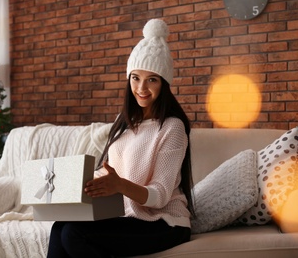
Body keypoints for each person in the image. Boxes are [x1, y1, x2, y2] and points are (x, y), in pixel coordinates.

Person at [47, 18, 195, 258]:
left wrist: (119, 185)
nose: (142, 87)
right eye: (135, 78)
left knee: (74, 233)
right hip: (128, 217)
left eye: (152, 79)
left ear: (164, 84)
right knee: (60, 226)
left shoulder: (172, 127)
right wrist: (73, 180)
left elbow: (160, 196)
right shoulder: (125, 123)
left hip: (165, 223)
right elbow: (109, 173)